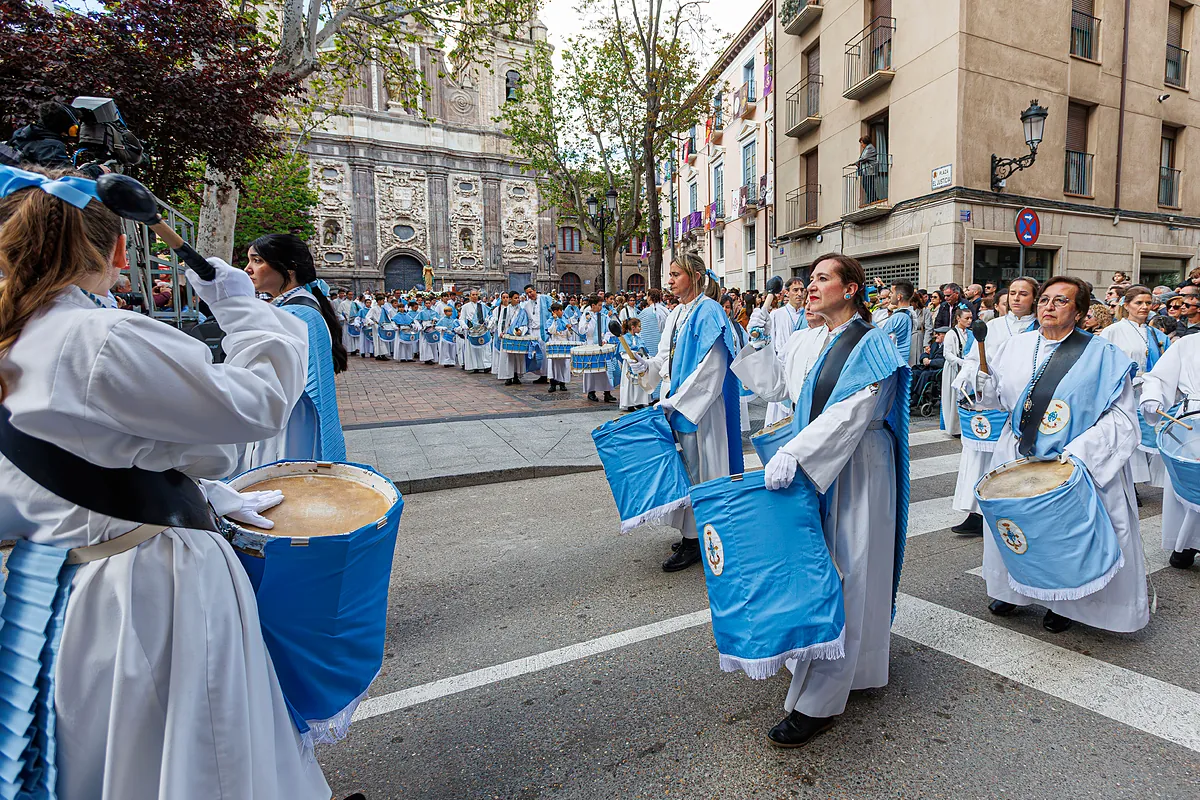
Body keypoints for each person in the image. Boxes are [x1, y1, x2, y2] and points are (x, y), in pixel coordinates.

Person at [0, 166, 333, 798]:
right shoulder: (98, 338)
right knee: (205, 755)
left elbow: (78, 458)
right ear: (118, 247)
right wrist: (240, 303)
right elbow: (256, 403)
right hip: (152, 588)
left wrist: (198, 490)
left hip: (65, 587)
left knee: (114, 755)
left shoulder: (18, 332)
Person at [733, 253, 908, 748]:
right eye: (808, 279)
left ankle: (821, 701)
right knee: (822, 568)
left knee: (847, 573)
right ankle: (853, 667)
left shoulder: (874, 342)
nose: (810, 286)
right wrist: (759, 328)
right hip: (822, 462)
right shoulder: (819, 339)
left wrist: (796, 452)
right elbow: (780, 388)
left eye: (822, 278)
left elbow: (854, 412)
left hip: (857, 469)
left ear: (851, 288)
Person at [952, 276, 1147, 635]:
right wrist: (978, 385)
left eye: (1061, 301)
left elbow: (1122, 419)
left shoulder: (1102, 355)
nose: (1048, 306)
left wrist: (1078, 455)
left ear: (1080, 312)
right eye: (1044, 300)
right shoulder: (1013, 347)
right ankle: (1013, 590)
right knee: (1018, 529)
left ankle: (1067, 603)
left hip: (1072, 461)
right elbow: (996, 398)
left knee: (1063, 538)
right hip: (1018, 451)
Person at [631, 253, 743, 572]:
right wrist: (647, 365)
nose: (669, 281)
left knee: (701, 471)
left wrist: (677, 400)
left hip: (700, 410)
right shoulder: (678, 312)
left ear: (694, 276)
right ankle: (691, 533)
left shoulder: (708, 311)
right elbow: (665, 358)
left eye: (675, 274)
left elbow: (712, 368)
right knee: (687, 471)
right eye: (669, 275)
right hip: (679, 403)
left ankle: (700, 540)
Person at [240, 233, 348, 468]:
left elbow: (264, 378)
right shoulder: (292, 308)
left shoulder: (298, 314)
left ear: (289, 268)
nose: (247, 269)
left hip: (290, 429)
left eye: (257, 261)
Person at [949, 276, 1039, 536]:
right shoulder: (994, 326)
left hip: (1024, 402)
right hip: (989, 400)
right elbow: (973, 358)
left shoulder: (1040, 328)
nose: (1017, 298)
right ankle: (976, 512)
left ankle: (1015, 511)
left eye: (1024, 293)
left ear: (1034, 298)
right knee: (980, 458)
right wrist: (970, 377)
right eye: (1013, 293)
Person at [1140, 333, 1200, 568]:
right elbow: (1158, 377)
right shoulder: (1189, 343)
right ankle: (1186, 543)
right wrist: (1153, 397)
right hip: (1192, 425)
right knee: (1190, 482)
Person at [1102, 285, 1170, 487]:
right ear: (1127, 304)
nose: (1144, 307)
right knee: (1127, 435)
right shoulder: (1113, 331)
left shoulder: (1157, 334)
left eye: (1148, 303)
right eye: (1138, 303)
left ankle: (1145, 479)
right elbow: (1104, 362)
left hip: (1149, 390)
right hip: (1124, 392)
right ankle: (1128, 483)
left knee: (1149, 432)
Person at [765, 277, 807, 427]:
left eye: (802, 290)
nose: (799, 294)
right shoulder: (777, 314)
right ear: (786, 293)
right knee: (778, 414)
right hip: (781, 370)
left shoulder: (810, 315)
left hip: (802, 369)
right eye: (795, 290)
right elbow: (770, 341)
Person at [578, 295, 617, 403]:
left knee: (605, 369)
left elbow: (609, 330)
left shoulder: (604, 316)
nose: (601, 307)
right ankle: (591, 392)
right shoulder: (586, 315)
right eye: (599, 305)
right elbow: (581, 331)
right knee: (591, 369)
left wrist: (605, 339)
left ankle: (607, 392)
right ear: (593, 305)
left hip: (602, 345)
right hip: (590, 344)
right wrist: (586, 321)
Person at [940, 306, 972, 436]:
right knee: (953, 398)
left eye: (971, 318)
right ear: (958, 318)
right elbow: (947, 354)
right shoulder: (951, 334)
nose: (969, 321)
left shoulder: (970, 333)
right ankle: (954, 428)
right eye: (966, 318)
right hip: (954, 369)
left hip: (967, 369)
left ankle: (964, 425)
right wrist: (961, 362)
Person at [493, 291, 528, 386]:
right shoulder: (505, 310)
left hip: (517, 335)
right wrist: (500, 332)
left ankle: (516, 375)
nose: (517, 300)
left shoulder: (522, 311)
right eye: (515, 298)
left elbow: (524, 323)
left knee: (517, 357)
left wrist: (521, 330)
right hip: (507, 335)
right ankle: (508, 376)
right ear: (510, 299)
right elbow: (501, 322)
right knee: (507, 357)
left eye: (518, 298)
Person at [880, 279, 915, 365]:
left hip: (894, 364)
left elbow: (902, 346)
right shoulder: (909, 313)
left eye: (892, 293)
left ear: (899, 296)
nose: (890, 295)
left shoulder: (901, 317)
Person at [617, 317, 650, 410]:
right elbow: (623, 352)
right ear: (633, 327)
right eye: (639, 326)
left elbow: (643, 349)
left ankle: (639, 401)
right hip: (629, 363)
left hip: (639, 363)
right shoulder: (624, 338)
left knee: (639, 383)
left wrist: (643, 357)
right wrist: (631, 358)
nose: (641, 328)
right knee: (629, 383)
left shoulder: (638, 338)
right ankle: (630, 403)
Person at [521, 284, 552, 384]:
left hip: (544, 330)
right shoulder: (526, 305)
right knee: (537, 353)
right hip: (533, 331)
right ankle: (541, 374)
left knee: (545, 352)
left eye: (530, 292)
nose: (529, 294)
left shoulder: (545, 299)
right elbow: (527, 319)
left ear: (535, 290)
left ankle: (548, 374)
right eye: (527, 293)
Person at [459, 289, 493, 373]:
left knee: (484, 348)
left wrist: (488, 323)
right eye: (473, 295)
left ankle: (486, 366)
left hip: (482, 329)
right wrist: (464, 326)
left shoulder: (483, 306)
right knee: (473, 350)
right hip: (471, 330)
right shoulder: (465, 307)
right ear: (470, 296)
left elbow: (489, 316)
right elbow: (461, 318)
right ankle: (475, 366)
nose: (474, 296)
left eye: (476, 294)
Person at [546, 303, 572, 392]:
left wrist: (569, 329)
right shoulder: (550, 321)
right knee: (553, 364)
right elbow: (551, 331)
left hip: (564, 343)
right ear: (554, 312)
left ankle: (562, 383)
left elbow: (569, 334)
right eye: (559, 310)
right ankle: (553, 383)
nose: (562, 312)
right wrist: (555, 320)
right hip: (554, 342)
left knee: (564, 364)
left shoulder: (565, 320)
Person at [415, 297, 439, 364]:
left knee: (433, 343)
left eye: (429, 303)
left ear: (431, 303)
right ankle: (427, 358)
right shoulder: (422, 312)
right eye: (426, 303)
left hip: (432, 327)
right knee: (426, 344)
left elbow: (438, 319)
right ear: (424, 304)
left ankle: (433, 358)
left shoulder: (434, 312)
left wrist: (435, 321)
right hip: (425, 327)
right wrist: (419, 327)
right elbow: (416, 320)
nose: (428, 304)